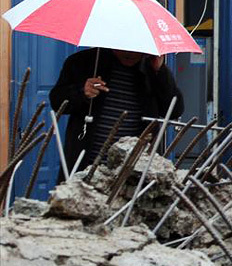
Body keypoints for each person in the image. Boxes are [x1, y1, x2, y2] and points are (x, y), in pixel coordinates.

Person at [50, 48, 184, 174]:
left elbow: (174, 110)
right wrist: (81, 92)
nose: (130, 54)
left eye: (136, 49)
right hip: (85, 167)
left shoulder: (152, 69)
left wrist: (160, 71)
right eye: (124, 49)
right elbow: (57, 101)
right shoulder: (84, 61)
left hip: (134, 170)